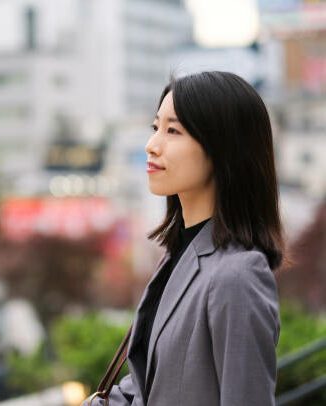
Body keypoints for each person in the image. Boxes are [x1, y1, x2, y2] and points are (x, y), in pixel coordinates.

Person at [84, 71, 284, 406]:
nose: (152, 145)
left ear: (223, 147)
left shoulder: (237, 275)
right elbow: (151, 384)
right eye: (155, 127)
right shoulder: (179, 254)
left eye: (173, 131)